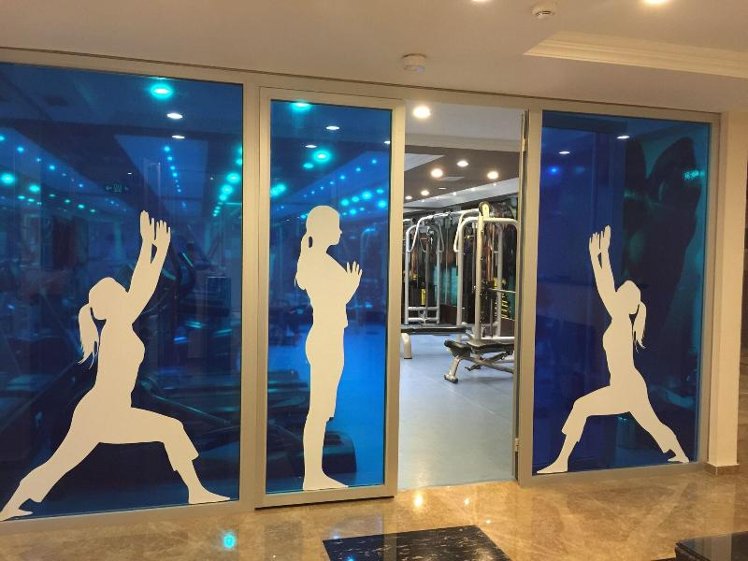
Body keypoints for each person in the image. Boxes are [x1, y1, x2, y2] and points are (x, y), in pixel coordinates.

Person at [0, 211, 227, 521]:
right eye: (121, 292)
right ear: (114, 303)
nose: (127, 292)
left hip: (102, 409)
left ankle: (10, 507)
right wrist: (153, 248)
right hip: (104, 411)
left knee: (60, 463)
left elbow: (142, 285)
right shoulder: (118, 326)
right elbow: (143, 286)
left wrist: (155, 248)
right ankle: (197, 492)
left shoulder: (117, 323)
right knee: (169, 430)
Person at [538, 225, 688, 474]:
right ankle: (681, 454)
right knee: (651, 423)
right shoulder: (622, 319)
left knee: (582, 407)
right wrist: (598, 255)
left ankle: (561, 461)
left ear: (627, 303)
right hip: (629, 385)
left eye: (622, 292)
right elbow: (606, 287)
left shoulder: (621, 320)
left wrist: (601, 254)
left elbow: (604, 286)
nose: (617, 292)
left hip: (626, 387)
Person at [295, 206, 362, 491]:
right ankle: (312, 475)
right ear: (324, 229)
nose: (341, 231)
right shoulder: (317, 261)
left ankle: (315, 473)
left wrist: (348, 287)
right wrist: (350, 287)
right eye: (336, 226)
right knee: (318, 411)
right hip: (326, 337)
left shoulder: (318, 259)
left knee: (321, 412)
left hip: (329, 336)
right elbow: (330, 301)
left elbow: (331, 299)